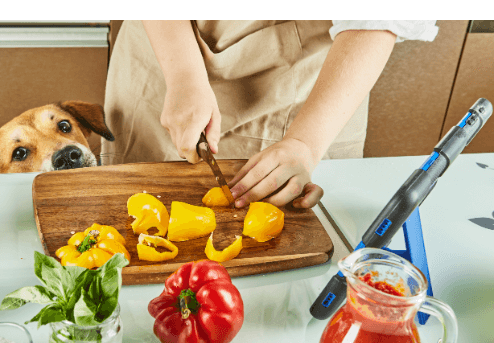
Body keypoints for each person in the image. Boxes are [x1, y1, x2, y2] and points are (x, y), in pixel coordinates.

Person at [101, 20, 438, 209]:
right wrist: (184, 75)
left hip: (311, 82)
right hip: (166, 51)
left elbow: (379, 14)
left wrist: (305, 144)